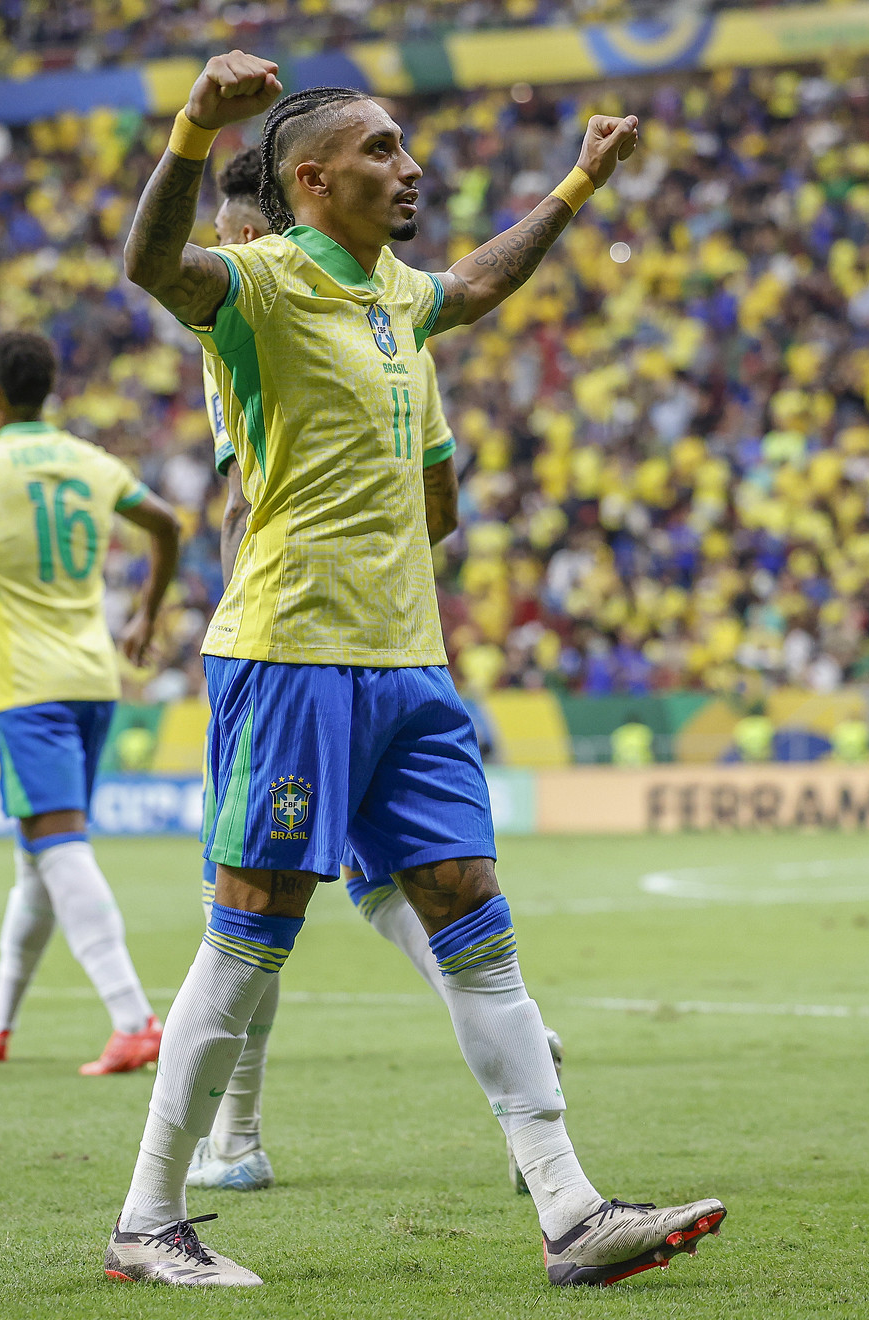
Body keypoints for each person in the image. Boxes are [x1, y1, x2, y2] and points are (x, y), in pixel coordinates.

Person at [108, 53, 723, 1288]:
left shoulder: (396, 294)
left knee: (471, 914)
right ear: (312, 178)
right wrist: (188, 129)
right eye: (385, 150)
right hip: (292, 652)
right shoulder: (262, 285)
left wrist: (577, 185)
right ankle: (147, 1221)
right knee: (249, 935)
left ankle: (569, 1212)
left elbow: (483, 281)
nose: (413, 166)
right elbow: (148, 268)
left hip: (407, 661)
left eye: (407, 146)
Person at [182, 147, 561, 1199]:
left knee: (246, 903)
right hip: (388, 643)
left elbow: (241, 508)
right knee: (382, 882)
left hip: (289, 643)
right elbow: (438, 501)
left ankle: (232, 1143)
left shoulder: (264, 321)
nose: (232, 252)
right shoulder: (396, 333)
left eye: (238, 234)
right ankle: (512, 1049)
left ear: (269, 225)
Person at [0, 330, 184, 1076]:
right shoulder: (91, 461)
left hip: (29, 689)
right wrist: (145, 612)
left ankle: (132, 1017)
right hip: (93, 679)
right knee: (36, 861)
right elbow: (167, 524)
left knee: (58, 848)